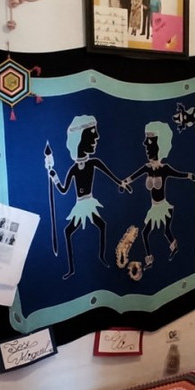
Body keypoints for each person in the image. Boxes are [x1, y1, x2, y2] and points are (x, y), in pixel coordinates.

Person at [46, 115, 130, 279]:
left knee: (101, 225)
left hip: (90, 202)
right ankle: (72, 269)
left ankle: (101, 257)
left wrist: (121, 183)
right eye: (92, 133)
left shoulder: (94, 163)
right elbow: (63, 189)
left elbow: (109, 174)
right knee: (69, 231)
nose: (97, 137)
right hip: (80, 205)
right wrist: (54, 177)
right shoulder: (74, 169)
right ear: (79, 138)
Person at [124, 121, 194, 265]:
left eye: (149, 141)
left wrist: (189, 175)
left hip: (164, 207)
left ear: (160, 145)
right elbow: (133, 176)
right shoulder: (147, 168)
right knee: (145, 233)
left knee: (166, 230)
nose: (145, 144)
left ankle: (174, 247)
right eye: (146, 140)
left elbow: (178, 174)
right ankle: (149, 259)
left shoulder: (164, 169)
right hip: (154, 208)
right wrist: (125, 182)